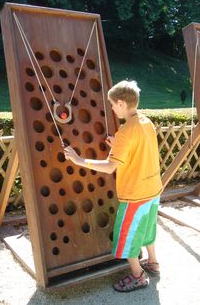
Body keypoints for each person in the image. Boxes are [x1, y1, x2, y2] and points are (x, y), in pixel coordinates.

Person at [64, 80, 163, 292]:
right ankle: (153, 263)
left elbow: (110, 167)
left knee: (126, 236)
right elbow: (139, 149)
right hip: (153, 190)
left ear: (120, 103)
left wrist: (79, 160)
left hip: (135, 195)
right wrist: (117, 146)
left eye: (111, 104)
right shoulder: (147, 122)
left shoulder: (125, 132)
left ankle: (138, 276)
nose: (110, 108)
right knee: (148, 228)